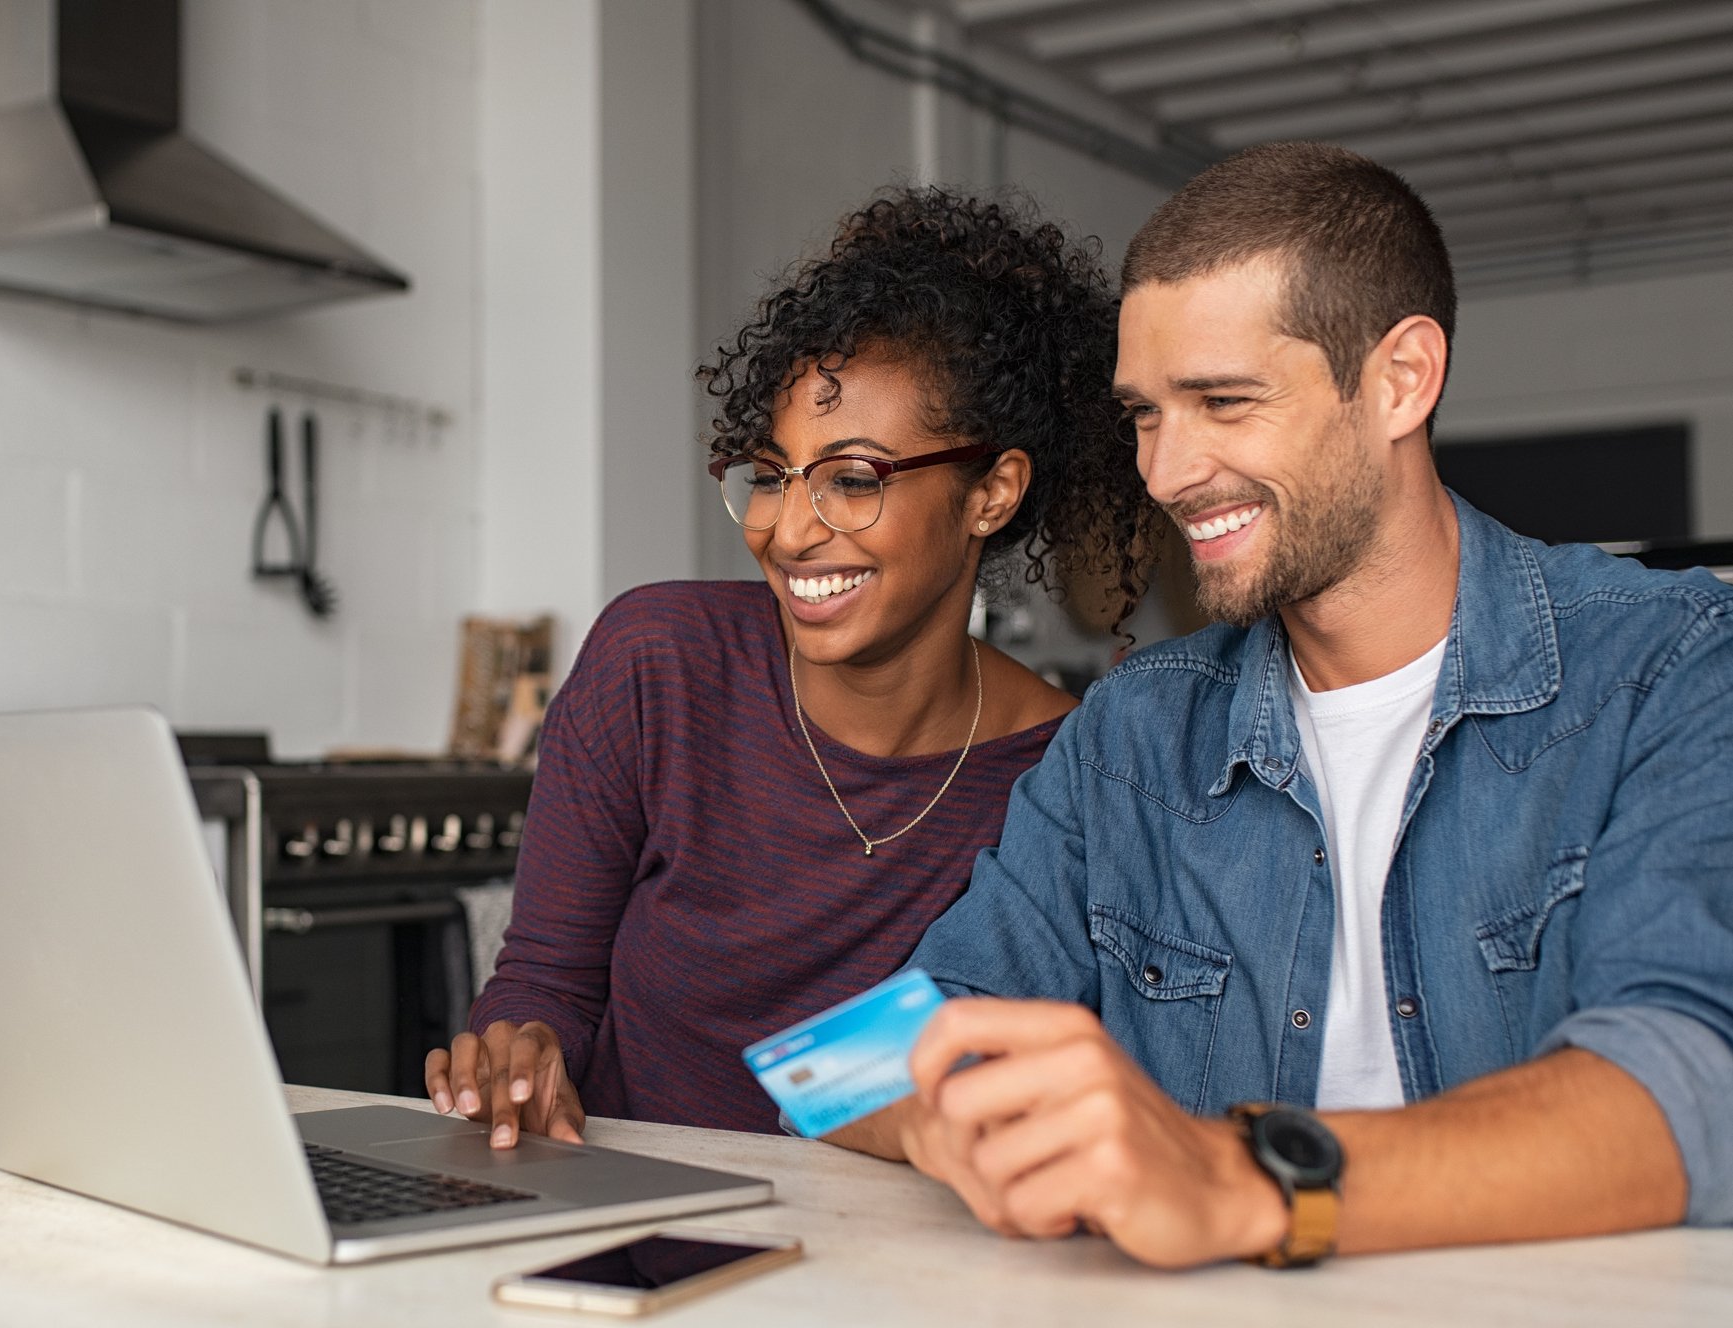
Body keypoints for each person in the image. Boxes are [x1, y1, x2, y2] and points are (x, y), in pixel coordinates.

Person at [835, 141, 1733, 1266]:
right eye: (1146, 414)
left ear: (1402, 378)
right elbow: (848, 1064)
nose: (1164, 473)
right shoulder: (1130, 734)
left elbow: (1692, 1086)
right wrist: (961, 1115)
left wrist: (1236, 1174)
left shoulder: (1674, 662)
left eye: (1222, 401)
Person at [425, 188, 1154, 1145]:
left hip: (860, 1276)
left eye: (853, 480)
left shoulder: (1064, 776)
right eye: (772, 474)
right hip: (604, 1248)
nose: (788, 529)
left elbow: (941, 1071)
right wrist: (514, 1059)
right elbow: (544, 981)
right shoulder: (658, 664)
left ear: (992, 493)